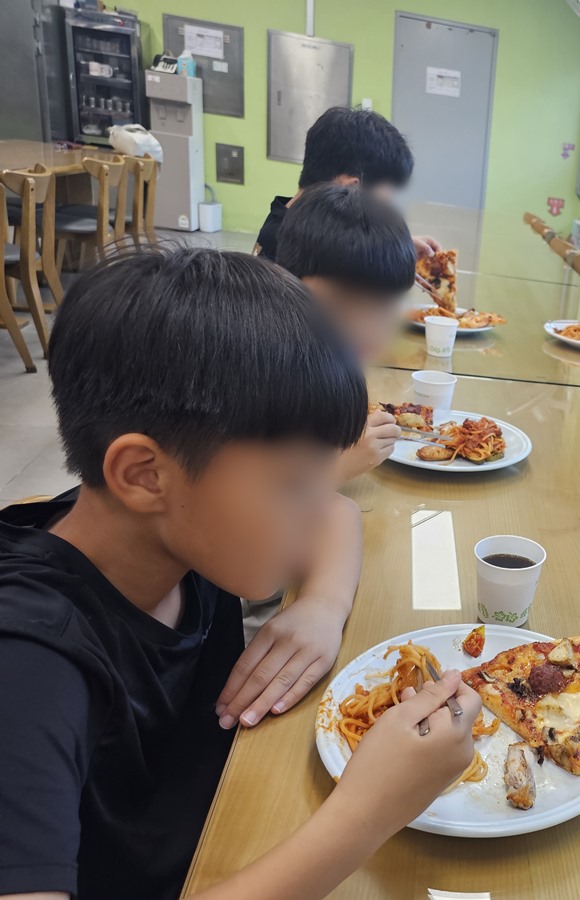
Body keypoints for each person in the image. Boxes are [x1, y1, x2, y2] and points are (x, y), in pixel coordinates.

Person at [0, 247, 481, 900]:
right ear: (143, 475)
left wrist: (321, 607)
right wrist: (363, 816)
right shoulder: (29, 669)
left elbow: (336, 514)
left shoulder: (167, 529)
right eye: (292, 483)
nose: (317, 498)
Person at [276, 182, 416, 481]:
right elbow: (243, 496)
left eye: (382, 305)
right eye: (342, 302)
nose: (364, 327)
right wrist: (338, 469)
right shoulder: (268, 370)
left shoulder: (329, 364)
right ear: (287, 282)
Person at [253, 106, 440, 262]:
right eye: (383, 202)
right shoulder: (295, 254)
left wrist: (400, 249)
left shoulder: (288, 222)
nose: (386, 206)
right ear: (350, 189)